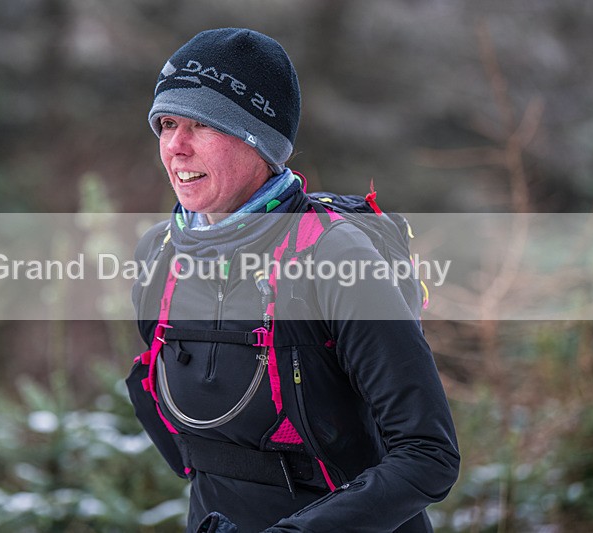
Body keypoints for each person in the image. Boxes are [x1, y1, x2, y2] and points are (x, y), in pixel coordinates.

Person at [127, 28, 459, 532]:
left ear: (257, 140)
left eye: (202, 125)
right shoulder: (161, 253)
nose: (176, 146)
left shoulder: (333, 253)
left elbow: (429, 454)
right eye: (167, 123)